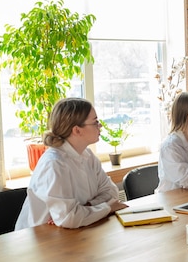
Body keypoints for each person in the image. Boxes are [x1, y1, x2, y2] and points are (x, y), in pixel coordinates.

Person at [15, 98, 125, 230]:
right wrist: (106, 208)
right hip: (39, 240)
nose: (100, 125)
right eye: (95, 122)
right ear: (77, 130)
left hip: (74, 232)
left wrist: (87, 207)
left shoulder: (88, 155)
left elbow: (111, 192)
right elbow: (69, 218)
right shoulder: (54, 164)